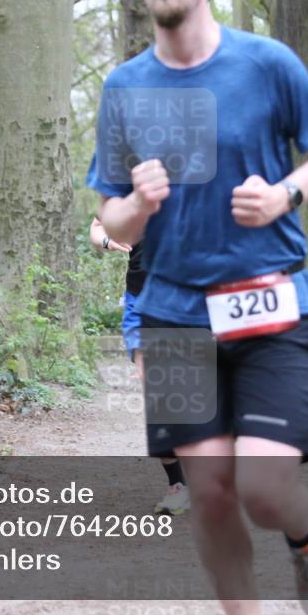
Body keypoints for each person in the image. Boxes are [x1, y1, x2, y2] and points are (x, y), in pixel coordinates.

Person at [87, 0, 308, 615]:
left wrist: (286, 194)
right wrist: (138, 206)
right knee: (207, 491)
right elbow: (109, 214)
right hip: (174, 313)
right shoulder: (125, 87)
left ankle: (307, 540)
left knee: (263, 488)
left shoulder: (266, 65)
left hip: (271, 306)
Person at [88, 215, 190, 516]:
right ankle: (178, 486)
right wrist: (107, 240)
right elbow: (96, 227)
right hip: (140, 302)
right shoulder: (130, 185)